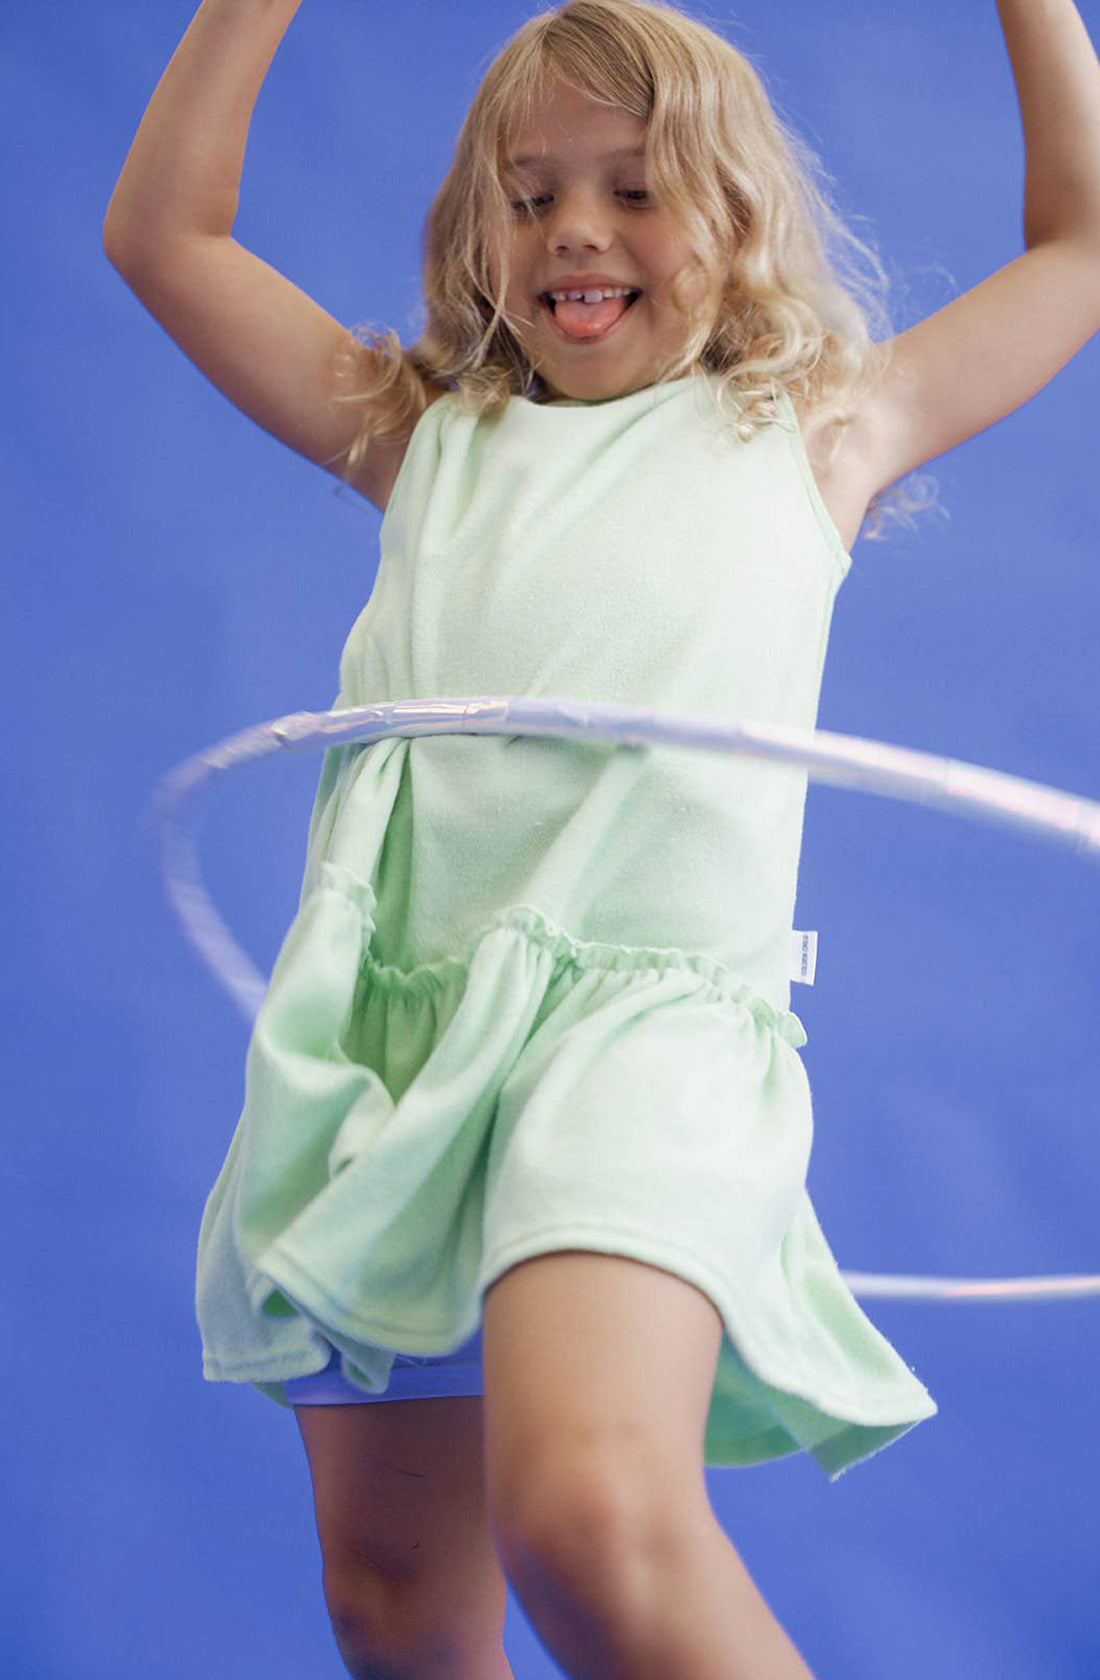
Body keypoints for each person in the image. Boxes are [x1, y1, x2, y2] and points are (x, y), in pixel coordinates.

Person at [103, 0, 1100, 1675]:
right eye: (526, 189)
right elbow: (164, 234)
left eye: (637, 188)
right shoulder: (427, 441)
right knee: (396, 1607)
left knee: (590, 1516)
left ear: (736, 219)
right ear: (475, 232)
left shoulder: (811, 438)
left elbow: (1083, 242)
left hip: (642, 1035)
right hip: (392, 1046)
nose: (574, 226)